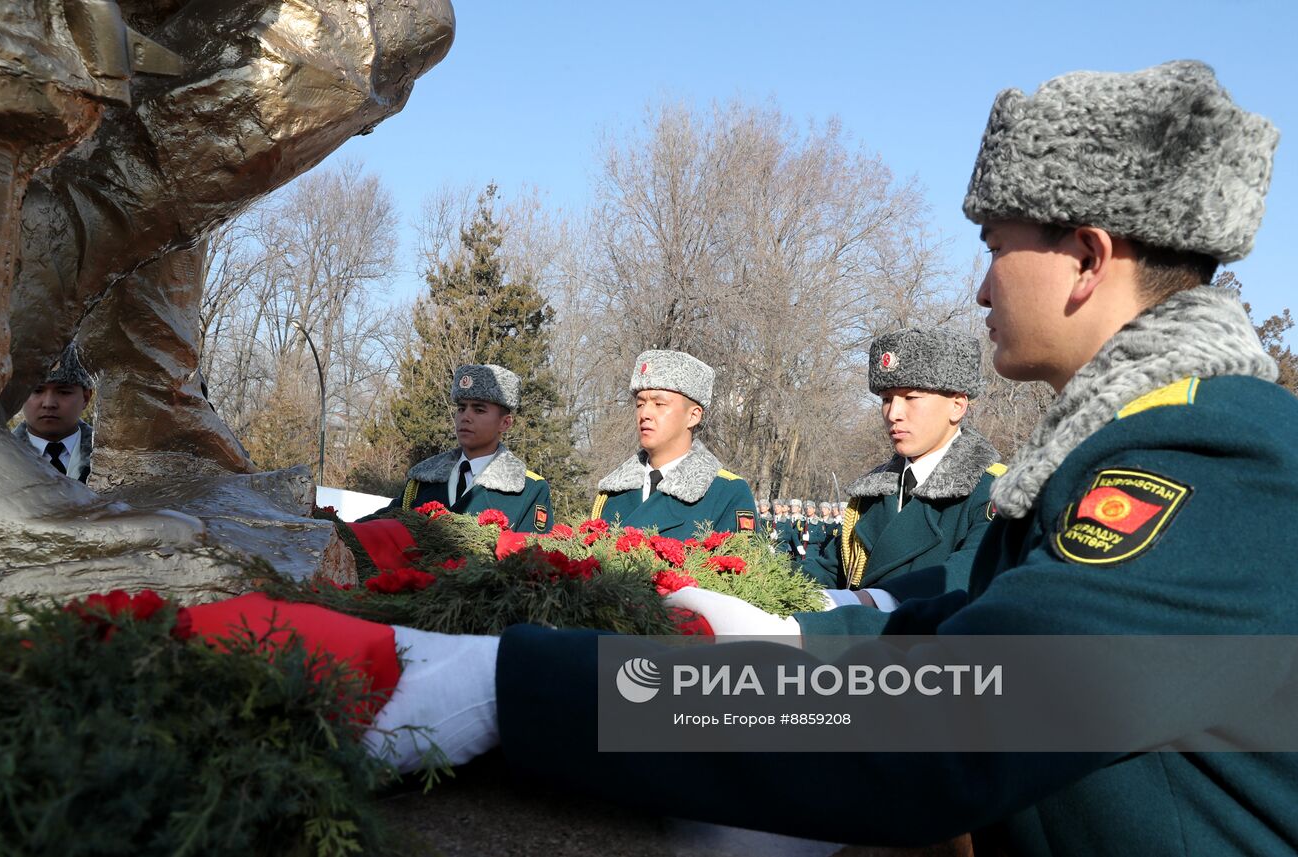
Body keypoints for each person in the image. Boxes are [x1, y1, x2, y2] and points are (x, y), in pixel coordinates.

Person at [368, 61, 1297, 852]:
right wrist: (784, 637)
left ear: (1088, 259)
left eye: (997, 246)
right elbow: (957, 631)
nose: (980, 286)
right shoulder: (1139, 440)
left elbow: (948, 720)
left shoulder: (1209, 461)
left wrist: (518, 691)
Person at [799, 329, 1005, 609]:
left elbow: (968, 576)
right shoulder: (872, 492)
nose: (893, 413)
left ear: (957, 406)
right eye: (886, 399)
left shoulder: (996, 492)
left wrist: (872, 601)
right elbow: (829, 572)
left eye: (911, 397)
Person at [589, 350, 757, 540]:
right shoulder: (612, 495)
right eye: (640, 404)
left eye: (659, 404)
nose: (645, 414)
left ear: (693, 416)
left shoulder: (725, 494)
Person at [384, 365, 551, 533]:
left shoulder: (529, 490)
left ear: (505, 423)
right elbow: (379, 528)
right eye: (461, 408)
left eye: (479, 410)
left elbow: (532, 556)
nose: (465, 417)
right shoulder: (423, 480)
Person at [12, 344, 96, 484]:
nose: (49, 403)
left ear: (86, 398)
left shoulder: (115, 460)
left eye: (64, 392)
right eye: (37, 390)